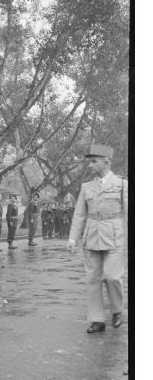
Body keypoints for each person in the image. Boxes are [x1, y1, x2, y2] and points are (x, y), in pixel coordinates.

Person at [67, 143, 128, 333]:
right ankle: (97, 320)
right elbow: (79, 215)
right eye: (89, 161)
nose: (90, 165)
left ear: (106, 162)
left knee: (112, 276)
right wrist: (72, 239)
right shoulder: (86, 187)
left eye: (94, 161)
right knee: (92, 280)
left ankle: (117, 310)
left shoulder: (122, 185)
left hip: (115, 237)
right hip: (91, 237)